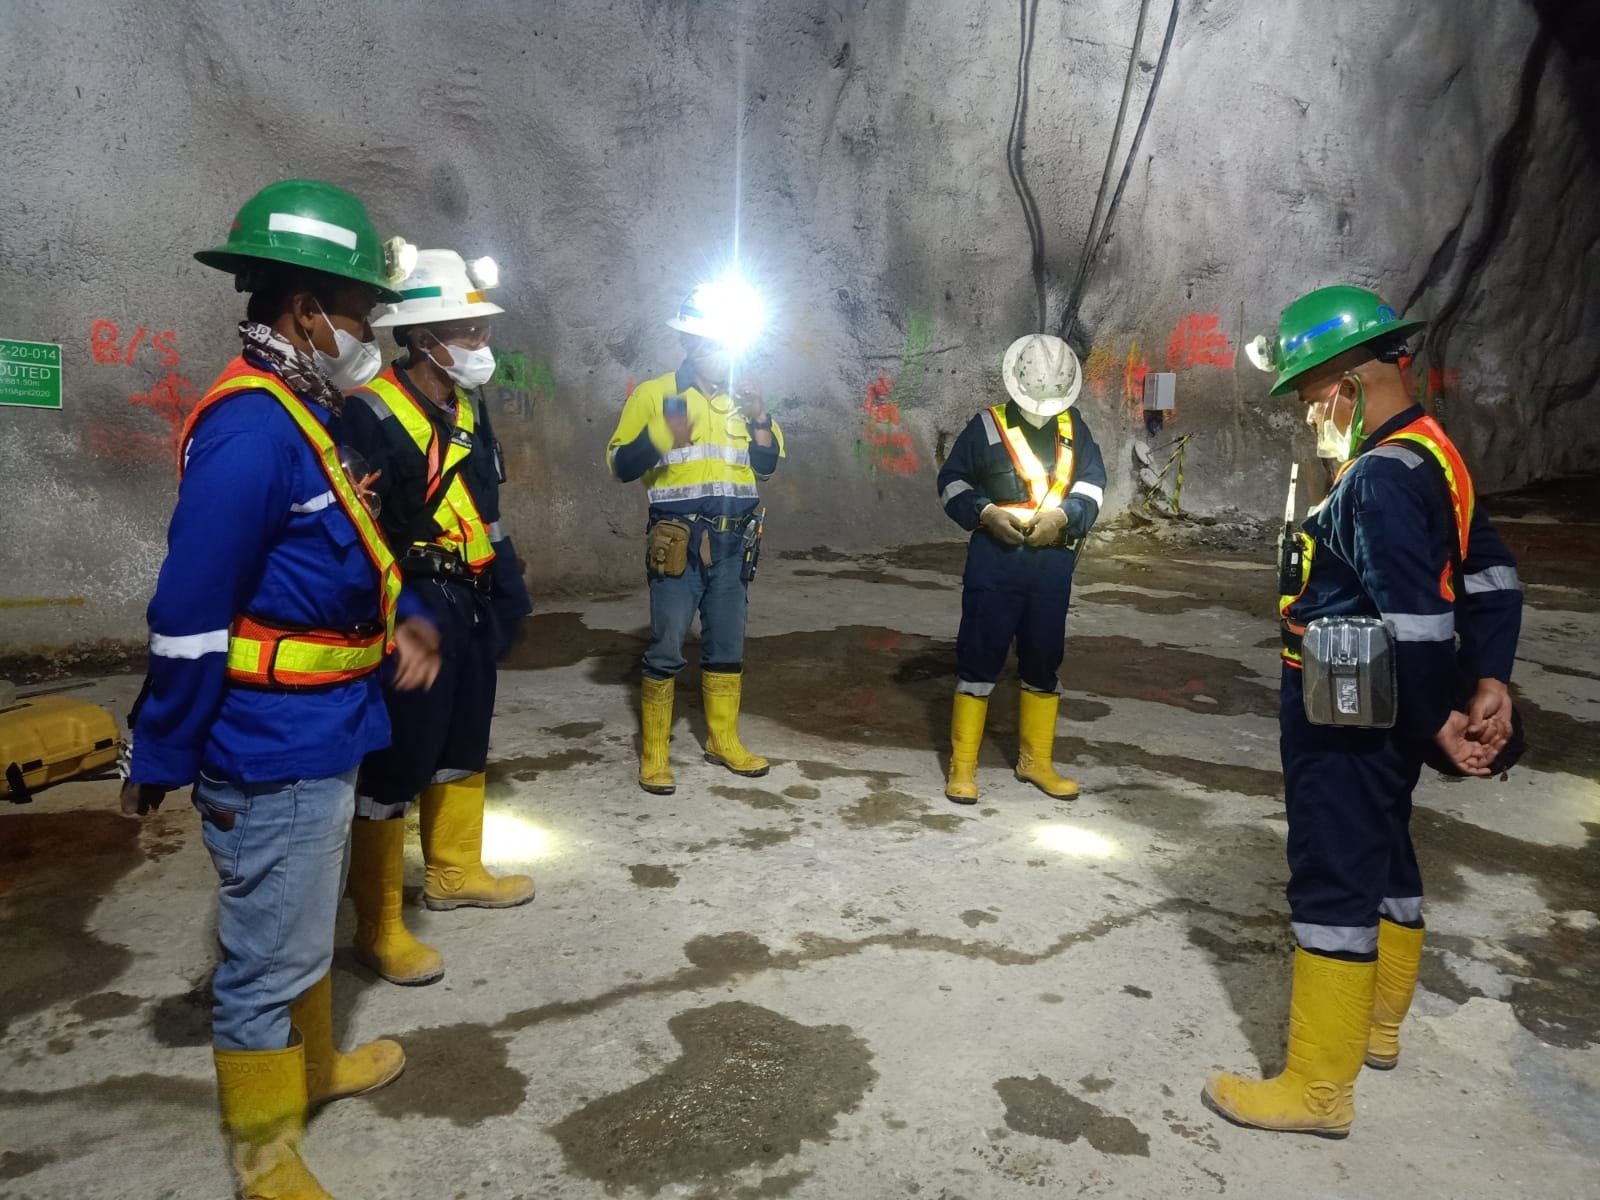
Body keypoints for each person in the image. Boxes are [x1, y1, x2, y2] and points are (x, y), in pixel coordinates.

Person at [119, 179, 442, 1199]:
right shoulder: (251, 431)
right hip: (267, 746)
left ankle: (313, 1070)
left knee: (296, 932)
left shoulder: (305, 409)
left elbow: (326, 561)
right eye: (358, 316)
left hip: (324, 724)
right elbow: (188, 615)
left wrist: (397, 626)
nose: (370, 340)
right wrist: (160, 753)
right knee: (264, 964)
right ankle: (264, 1160)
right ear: (306, 311)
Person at [1205, 285, 1523, 1137]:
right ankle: (1377, 1030)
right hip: (1388, 715)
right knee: (1385, 855)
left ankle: (1316, 1087)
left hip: (1348, 711)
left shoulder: (1377, 479)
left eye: (1311, 400)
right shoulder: (1434, 455)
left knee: (1333, 872)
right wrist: (1491, 677)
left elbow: (1416, 620)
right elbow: (1489, 572)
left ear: (1346, 383)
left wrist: (1437, 720)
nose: (1310, 419)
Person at [339, 248, 535, 986]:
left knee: (462, 738)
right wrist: (392, 619)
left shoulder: (466, 408)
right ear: (424, 339)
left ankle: (454, 873)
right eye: (469, 333)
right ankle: (380, 926)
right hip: (412, 600)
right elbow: (361, 533)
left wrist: (509, 591)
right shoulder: (371, 411)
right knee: (396, 760)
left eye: (482, 334)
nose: (482, 348)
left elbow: (485, 513)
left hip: (469, 597)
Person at [606, 279, 785, 795]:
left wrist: (760, 418)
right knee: (666, 645)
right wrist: (662, 433)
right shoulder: (655, 395)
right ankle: (656, 753)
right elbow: (620, 465)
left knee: (727, 644)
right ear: (692, 343)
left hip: (733, 545)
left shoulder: (745, 400)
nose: (727, 355)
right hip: (678, 542)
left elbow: (767, 468)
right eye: (717, 345)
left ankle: (722, 739)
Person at [934, 333, 1106, 805]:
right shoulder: (986, 425)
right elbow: (951, 483)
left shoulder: (1074, 427)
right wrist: (987, 513)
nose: (1043, 407)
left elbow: (1092, 485)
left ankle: (1036, 762)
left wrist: (1064, 518)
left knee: (1044, 658)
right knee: (980, 656)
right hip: (996, 558)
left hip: (1052, 560)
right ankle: (963, 768)